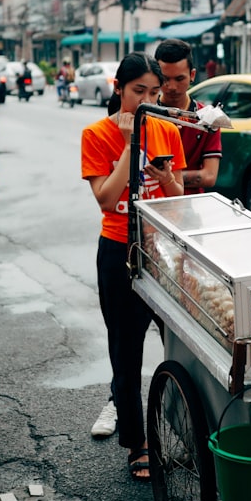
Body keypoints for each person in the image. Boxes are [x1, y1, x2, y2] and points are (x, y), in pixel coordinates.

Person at [81, 53, 184, 478]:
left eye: (153, 93)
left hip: (162, 252)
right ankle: (136, 441)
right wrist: (129, 145)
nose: (145, 100)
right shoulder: (97, 134)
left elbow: (177, 199)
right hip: (119, 251)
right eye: (137, 91)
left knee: (182, 345)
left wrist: (167, 179)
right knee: (125, 351)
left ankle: (189, 429)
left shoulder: (166, 130)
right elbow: (106, 198)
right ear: (119, 88)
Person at [154, 38, 222, 195]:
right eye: (165, 79)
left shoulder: (208, 118)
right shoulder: (146, 115)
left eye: (179, 79)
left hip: (191, 205)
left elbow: (210, 176)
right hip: (152, 203)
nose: (171, 87)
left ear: (192, 75)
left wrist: (166, 178)